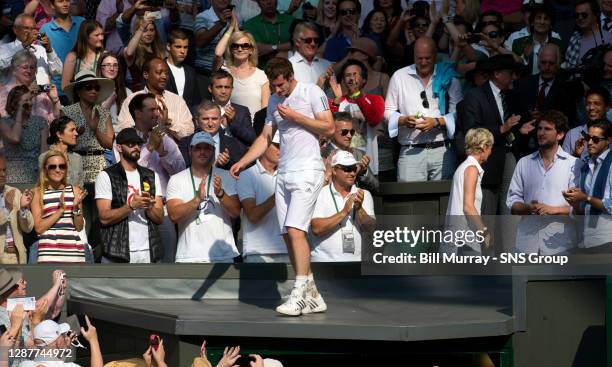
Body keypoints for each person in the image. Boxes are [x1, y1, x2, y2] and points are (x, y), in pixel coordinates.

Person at [230, 57, 334, 316]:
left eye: (281, 85)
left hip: (308, 170)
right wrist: (243, 161)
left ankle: (298, 293)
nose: (278, 91)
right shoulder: (275, 101)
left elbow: (329, 127)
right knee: (288, 234)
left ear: (290, 77)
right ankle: (313, 294)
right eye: (274, 86)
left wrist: (297, 117)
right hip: (285, 173)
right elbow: (266, 137)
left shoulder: (311, 91)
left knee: (295, 229)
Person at [384, 37, 462, 182]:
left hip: (442, 150)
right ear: (413, 56)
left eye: (428, 58)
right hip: (410, 151)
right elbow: (388, 111)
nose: (423, 62)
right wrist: (403, 120)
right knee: (410, 201)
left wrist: (438, 122)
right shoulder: (400, 77)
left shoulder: (447, 76)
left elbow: (459, 112)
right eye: (419, 58)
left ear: (436, 56)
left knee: (444, 199)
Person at [461, 54, 524, 216]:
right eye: (510, 73)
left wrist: (519, 130)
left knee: (509, 207)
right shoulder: (475, 96)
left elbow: (510, 125)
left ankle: (509, 242)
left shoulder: (509, 95)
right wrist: (501, 129)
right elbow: (471, 132)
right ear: (497, 74)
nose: (513, 78)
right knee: (487, 210)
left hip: (508, 155)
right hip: (487, 160)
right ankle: (486, 241)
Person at [506, 110, 578, 255]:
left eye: (547, 129)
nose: (541, 133)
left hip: (559, 246)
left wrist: (552, 210)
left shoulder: (574, 165)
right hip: (525, 245)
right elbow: (512, 204)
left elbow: (579, 209)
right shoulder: (524, 163)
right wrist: (528, 208)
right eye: (539, 128)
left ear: (560, 134)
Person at [128, 93, 186, 262]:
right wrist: (150, 147)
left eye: (158, 109)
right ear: (138, 113)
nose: (157, 114)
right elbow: (128, 169)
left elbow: (180, 170)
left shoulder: (164, 138)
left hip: (164, 208)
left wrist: (162, 153)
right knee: (139, 258)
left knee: (168, 258)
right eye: (151, 109)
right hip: (135, 207)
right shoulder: (126, 138)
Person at [167, 131, 241, 263]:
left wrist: (221, 194)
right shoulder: (176, 179)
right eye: (198, 148)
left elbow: (235, 212)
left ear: (213, 151)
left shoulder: (227, 176)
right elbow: (173, 216)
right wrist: (196, 200)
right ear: (190, 151)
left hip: (223, 255)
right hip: (189, 255)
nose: (202, 152)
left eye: (207, 148)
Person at [95, 127, 164, 263]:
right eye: (131, 144)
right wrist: (131, 206)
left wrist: (149, 206)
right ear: (119, 147)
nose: (136, 148)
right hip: (117, 251)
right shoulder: (107, 175)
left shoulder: (150, 176)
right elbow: (104, 217)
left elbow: (159, 218)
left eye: (139, 144)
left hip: (148, 251)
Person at [310, 151, 376, 262]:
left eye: (354, 169)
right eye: (347, 169)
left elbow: (371, 230)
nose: (352, 173)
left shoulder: (364, 194)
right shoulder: (320, 193)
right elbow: (316, 228)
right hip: (324, 262)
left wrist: (360, 209)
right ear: (334, 170)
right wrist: (344, 212)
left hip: (356, 262)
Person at [511, 44, 574, 157]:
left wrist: (543, 116)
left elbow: (568, 120)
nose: (547, 67)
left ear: (558, 64)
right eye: (544, 62)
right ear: (538, 63)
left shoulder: (567, 89)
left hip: (551, 151)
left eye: (551, 63)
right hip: (521, 148)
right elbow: (513, 116)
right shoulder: (522, 85)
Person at [328, 59, 384, 183]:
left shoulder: (376, 99)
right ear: (343, 81)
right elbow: (328, 128)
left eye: (355, 74)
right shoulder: (336, 102)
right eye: (348, 75)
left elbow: (374, 119)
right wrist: (337, 100)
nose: (351, 78)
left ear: (364, 79)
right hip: (340, 168)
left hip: (367, 165)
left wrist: (357, 95)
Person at [237, 132, 287, 262]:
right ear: (263, 148)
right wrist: (278, 195)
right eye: (277, 145)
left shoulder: (289, 174)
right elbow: (252, 216)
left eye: (283, 145)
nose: (281, 149)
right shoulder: (246, 175)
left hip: (286, 248)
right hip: (257, 250)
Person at [442, 128, 493, 255]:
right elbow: (468, 207)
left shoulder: (464, 167)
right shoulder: (471, 169)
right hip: (463, 241)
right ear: (485, 147)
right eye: (491, 147)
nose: (491, 151)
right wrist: (484, 232)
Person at [563, 120, 612, 252]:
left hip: (607, 240)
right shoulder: (586, 166)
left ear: (608, 140)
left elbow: (610, 205)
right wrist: (574, 202)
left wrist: (585, 198)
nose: (589, 142)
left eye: (595, 139)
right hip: (586, 240)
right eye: (588, 138)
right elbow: (581, 212)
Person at [117, 58, 194, 140]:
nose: (164, 76)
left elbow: (189, 132)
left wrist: (168, 123)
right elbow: (125, 129)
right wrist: (148, 125)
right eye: (159, 72)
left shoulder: (177, 101)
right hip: (143, 149)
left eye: (166, 73)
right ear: (146, 74)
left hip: (172, 150)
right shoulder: (132, 100)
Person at [31, 150, 87, 263]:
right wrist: (60, 211)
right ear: (46, 169)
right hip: (48, 255)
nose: (58, 170)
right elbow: (39, 228)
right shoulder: (37, 193)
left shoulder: (75, 191)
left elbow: (79, 227)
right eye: (53, 167)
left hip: (74, 254)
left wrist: (76, 208)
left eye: (62, 166)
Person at [62, 70, 115, 184]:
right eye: (88, 87)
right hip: (75, 162)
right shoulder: (67, 112)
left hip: (99, 163)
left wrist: (96, 130)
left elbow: (111, 144)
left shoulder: (104, 113)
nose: (93, 91)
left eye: (96, 88)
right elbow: (61, 141)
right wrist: (76, 134)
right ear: (78, 91)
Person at [0, 268, 68, 348]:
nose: (26, 283)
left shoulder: (19, 305)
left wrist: (62, 288)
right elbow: (30, 345)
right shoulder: (2, 317)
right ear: (10, 289)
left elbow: (53, 311)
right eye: (22, 282)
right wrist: (57, 284)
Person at [214, 27, 270, 119]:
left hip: (252, 130)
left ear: (251, 50)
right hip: (228, 128)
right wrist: (231, 27)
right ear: (231, 49)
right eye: (235, 46)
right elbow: (218, 53)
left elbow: (265, 110)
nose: (240, 49)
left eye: (245, 46)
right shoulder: (224, 70)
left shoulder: (261, 76)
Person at [0, 85, 49, 185]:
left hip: (34, 177)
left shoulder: (40, 122)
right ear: (14, 103)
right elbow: (15, 138)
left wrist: (42, 179)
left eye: (30, 100)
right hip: (12, 178)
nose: (29, 103)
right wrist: (19, 113)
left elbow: (44, 153)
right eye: (25, 101)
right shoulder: (4, 122)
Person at [180, 100, 246, 169]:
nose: (210, 124)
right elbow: (183, 169)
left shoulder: (232, 143)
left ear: (221, 120)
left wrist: (227, 163)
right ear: (197, 122)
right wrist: (213, 167)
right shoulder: (186, 143)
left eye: (214, 119)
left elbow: (239, 170)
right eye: (205, 119)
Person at [0, 50, 60, 124]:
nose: (29, 71)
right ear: (14, 70)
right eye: (25, 67)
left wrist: (55, 101)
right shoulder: (4, 92)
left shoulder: (43, 93)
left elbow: (55, 121)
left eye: (32, 67)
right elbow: (6, 120)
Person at [0, 14, 62, 85]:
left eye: (33, 29)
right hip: (14, 94)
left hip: (40, 94)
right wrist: (24, 45)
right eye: (26, 28)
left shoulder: (41, 50)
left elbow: (58, 71)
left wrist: (49, 50)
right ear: (15, 30)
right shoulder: (4, 48)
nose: (30, 32)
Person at [40, 0, 86, 95]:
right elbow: (42, 64)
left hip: (84, 87)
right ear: (52, 5)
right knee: (68, 110)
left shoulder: (82, 22)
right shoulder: (45, 29)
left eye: (67, 1)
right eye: (60, 1)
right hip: (59, 90)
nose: (65, 4)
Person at [18, 317, 103, 367]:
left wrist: (65, 348)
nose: (65, 336)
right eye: (62, 335)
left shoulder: (24, 364)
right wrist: (93, 340)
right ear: (58, 342)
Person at [509, 4, 563, 76]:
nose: (542, 22)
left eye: (546, 19)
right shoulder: (518, 43)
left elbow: (560, 71)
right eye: (538, 18)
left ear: (551, 25)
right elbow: (515, 73)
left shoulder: (558, 44)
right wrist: (525, 57)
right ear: (532, 23)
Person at [208, 70, 256, 149]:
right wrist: (221, 125)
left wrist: (233, 122)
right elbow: (198, 137)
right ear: (210, 88)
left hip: (237, 158)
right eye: (219, 87)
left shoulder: (242, 111)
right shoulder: (200, 110)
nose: (223, 91)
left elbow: (252, 139)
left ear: (232, 89)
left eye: (227, 87)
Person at [0, 156, 34, 264]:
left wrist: (23, 208)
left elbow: (28, 228)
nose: (3, 174)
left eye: (4, 170)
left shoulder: (14, 192)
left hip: (16, 257)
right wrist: (7, 209)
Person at [243, 0, 295, 67]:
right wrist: (285, 48)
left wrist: (271, 48)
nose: (269, 2)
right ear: (258, 3)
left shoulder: (291, 21)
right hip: (262, 72)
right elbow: (256, 50)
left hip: (291, 70)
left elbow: (298, 44)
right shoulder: (249, 25)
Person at [562, 87, 610, 159]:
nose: (591, 108)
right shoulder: (573, 135)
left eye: (596, 103)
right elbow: (563, 167)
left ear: (607, 107)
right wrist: (576, 155)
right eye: (588, 103)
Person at [563, 0, 612, 70]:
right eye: (576, 15)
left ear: (595, 15)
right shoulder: (574, 37)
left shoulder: (609, 39)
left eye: (584, 15)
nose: (580, 18)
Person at [39, 116, 84, 190]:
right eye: (72, 130)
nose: (76, 133)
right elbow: (44, 185)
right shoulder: (44, 157)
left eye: (75, 130)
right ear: (59, 134)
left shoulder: (77, 158)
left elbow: (80, 186)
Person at [123, 14, 166, 91]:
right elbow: (129, 52)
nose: (149, 34)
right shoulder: (134, 50)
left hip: (158, 92)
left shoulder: (159, 51)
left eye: (151, 30)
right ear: (137, 32)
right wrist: (141, 27)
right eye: (145, 30)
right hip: (140, 92)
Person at [166, 29, 205, 111]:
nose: (182, 51)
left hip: (187, 119)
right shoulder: (159, 69)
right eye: (178, 47)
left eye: (185, 47)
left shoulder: (190, 72)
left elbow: (196, 101)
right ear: (168, 46)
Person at [61, 19, 105, 91]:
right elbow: (65, 86)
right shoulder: (73, 57)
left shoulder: (104, 55)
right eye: (97, 35)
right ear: (86, 37)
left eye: (102, 34)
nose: (101, 38)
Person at [194, 0, 233, 76]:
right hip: (204, 70)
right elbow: (200, 42)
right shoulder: (202, 16)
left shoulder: (236, 17)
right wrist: (220, 24)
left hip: (228, 72)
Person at [97, 52, 132, 133]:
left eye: (115, 65)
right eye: (107, 65)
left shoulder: (127, 92)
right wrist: (110, 100)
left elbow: (131, 119)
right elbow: (94, 120)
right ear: (100, 68)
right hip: (103, 135)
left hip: (124, 134)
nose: (112, 68)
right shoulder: (93, 92)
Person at [289, 21, 332, 85]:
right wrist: (318, 87)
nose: (313, 43)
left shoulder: (327, 65)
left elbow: (333, 93)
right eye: (308, 40)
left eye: (316, 40)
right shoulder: (288, 66)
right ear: (297, 42)